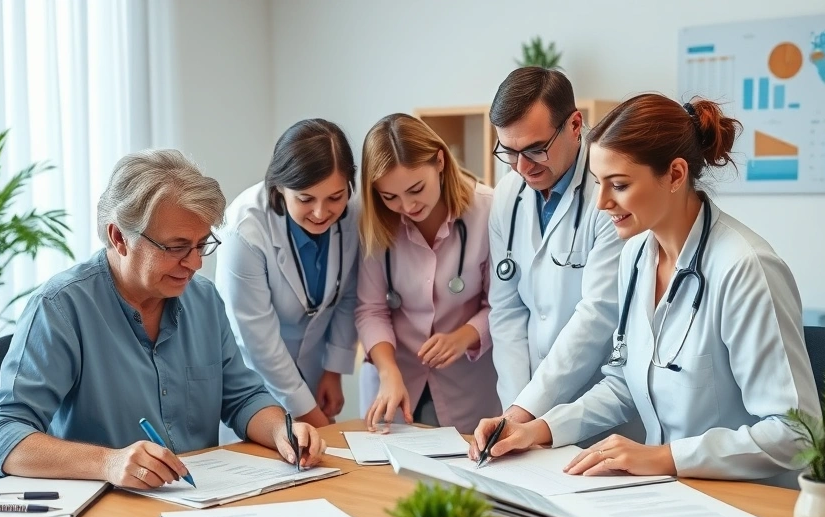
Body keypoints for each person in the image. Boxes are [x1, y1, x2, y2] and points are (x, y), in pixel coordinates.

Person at [470, 94, 822, 483]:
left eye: (618, 185)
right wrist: (538, 429)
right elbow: (624, 383)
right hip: (668, 490)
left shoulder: (745, 269)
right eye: (599, 183)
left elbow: (796, 434)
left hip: (744, 496)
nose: (602, 202)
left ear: (674, 175)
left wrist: (666, 457)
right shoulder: (637, 255)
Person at [0, 150, 325, 489]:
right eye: (176, 247)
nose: (195, 263)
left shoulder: (203, 300)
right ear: (119, 237)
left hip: (200, 503)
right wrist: (108, 463)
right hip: (108, 514)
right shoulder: (61, 308)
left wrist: (282, 429)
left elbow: (243, 398)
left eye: (202, 245)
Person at [486, 66, 630, 431]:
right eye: (509, 151)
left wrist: (526, 411)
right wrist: (516, 409)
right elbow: (506, 311)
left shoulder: (609, 192)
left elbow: (598, 315)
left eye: (535, 149)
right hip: (524, 409)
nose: (521, 167)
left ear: (575, 125)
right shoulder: (508, 195)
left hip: (597, 408)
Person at [355, 113, 500, 434]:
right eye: (389, 196)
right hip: (394, 382)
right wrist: (388, 370)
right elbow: (371, 309)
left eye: (416, 189)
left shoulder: (488, 210)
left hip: (467, 384)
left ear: (440, 162)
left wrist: (465, 336)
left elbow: (503, 305)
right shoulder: (375, 221)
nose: (406, 206)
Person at [215, 119, 359, 429]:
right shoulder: (245, 229)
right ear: (279, 186)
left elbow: (348, 295)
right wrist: (313, 418)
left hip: (316, 368)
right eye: (306, 199)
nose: (322, 213)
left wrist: (333, 370)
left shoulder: (353, 216)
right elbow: (258, 341)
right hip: (256, 385)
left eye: (335, 197)